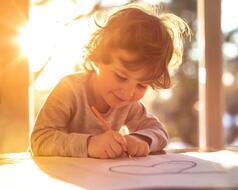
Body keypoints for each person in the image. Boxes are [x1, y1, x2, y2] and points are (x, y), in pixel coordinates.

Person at [30, 4, 190, 159]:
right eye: (121, 77)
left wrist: (141, 139)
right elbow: (40, 139)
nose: (128, 93)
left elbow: (159, 132)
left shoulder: (128, 105)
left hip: (102, 183)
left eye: (141, 85)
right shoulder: (69, 90)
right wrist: (89, 144)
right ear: (98, 58)